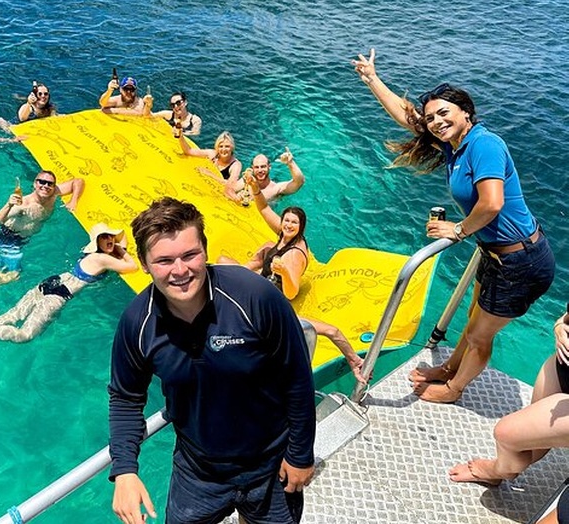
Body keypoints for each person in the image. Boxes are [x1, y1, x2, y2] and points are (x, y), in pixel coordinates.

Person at [352, 48, 555, 403]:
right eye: (433, 118)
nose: (435, 122)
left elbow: (491, 203)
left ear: (466, 112)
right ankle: (449, 369)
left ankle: (453, 389)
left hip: (521, 262)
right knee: (473, 321)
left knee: (479, 336)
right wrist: (371, 79)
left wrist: (459, 230)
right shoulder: (455, 145)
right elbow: (409, 117)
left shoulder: (484, 144)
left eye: (444, 113)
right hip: (495, 256)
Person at [108, 197, 315, 524]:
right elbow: (126, 398)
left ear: (205, 250)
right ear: (144, 264)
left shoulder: (256, 297)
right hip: (198, 473)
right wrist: (125, 471)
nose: (180, 270)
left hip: (270, 466)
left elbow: (298, 378)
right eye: (164, 260)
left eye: (190, 255)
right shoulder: (137, 323)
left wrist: (301, 454)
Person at [222, 186, 366, 382]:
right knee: (224, 261)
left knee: (330, 330)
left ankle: (356, 361)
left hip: (269, 302)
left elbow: (291, 292)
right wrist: (255, 188)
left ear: (301, 227)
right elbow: (264, 209)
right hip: (261, 286)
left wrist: (285, 272)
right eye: (287, 220)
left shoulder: (293, 255)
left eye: (294, 222)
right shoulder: (284, 235)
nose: (289, 225)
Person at [0, 223, 137, 352]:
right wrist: (120, 249)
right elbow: (133, 267)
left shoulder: (91, 255)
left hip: (49, 282)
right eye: (105, 237)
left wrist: (117, 246)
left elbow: (123, 243)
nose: (110, 240)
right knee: (24, 335)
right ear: (97, 242)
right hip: (59, 294)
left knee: (12, 316)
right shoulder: (103, 259)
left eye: (111, 236)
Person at [448, 305, 569, 486]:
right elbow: (565, 318)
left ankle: (497, 471)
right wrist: (559, 328)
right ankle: (506, 468)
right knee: (531, 443)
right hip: (561, 367)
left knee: (506, 434)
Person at [0, 170, 85, 306]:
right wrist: (9, 204)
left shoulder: (53, 193)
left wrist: (73, 200)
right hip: (7, 238)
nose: (45, 186)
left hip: (21, 241)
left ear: (53, 186)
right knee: (12, 274)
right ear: (35, 184)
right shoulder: (24, 205)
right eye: (42, 182)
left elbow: (78, 181)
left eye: (49, 183)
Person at [225, 148, 305, 203]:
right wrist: (237, 198)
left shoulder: (275, 189)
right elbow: (229, 190)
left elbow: (299, 182)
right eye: (257, 167)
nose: (260, 170)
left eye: (263, 166)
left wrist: (290, 163)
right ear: (252, 168)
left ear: (269, 167)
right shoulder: (246, 181)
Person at [179, 130, 243, 183]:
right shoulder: (212, 154)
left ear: (232, 148)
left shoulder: (236, 165)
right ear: (217, 147)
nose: (223, 149)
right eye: (221, 146)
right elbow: (189, 151)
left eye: (227, 146)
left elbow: (232, 185)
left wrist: (210, 174)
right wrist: (180, 136)